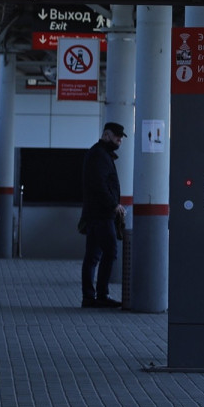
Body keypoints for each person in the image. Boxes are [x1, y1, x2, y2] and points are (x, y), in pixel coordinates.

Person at [80, 121, 127, 308]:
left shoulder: (100, 154)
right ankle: (100, 295)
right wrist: (114, 204)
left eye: (121, 139)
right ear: (106, 135)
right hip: (101, 214)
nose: (119, 142)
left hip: (96, 213)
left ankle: (90, 297)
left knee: (92, 256)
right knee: (110, 252)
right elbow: (100, 184)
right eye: (117, 138)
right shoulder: (99, 155)